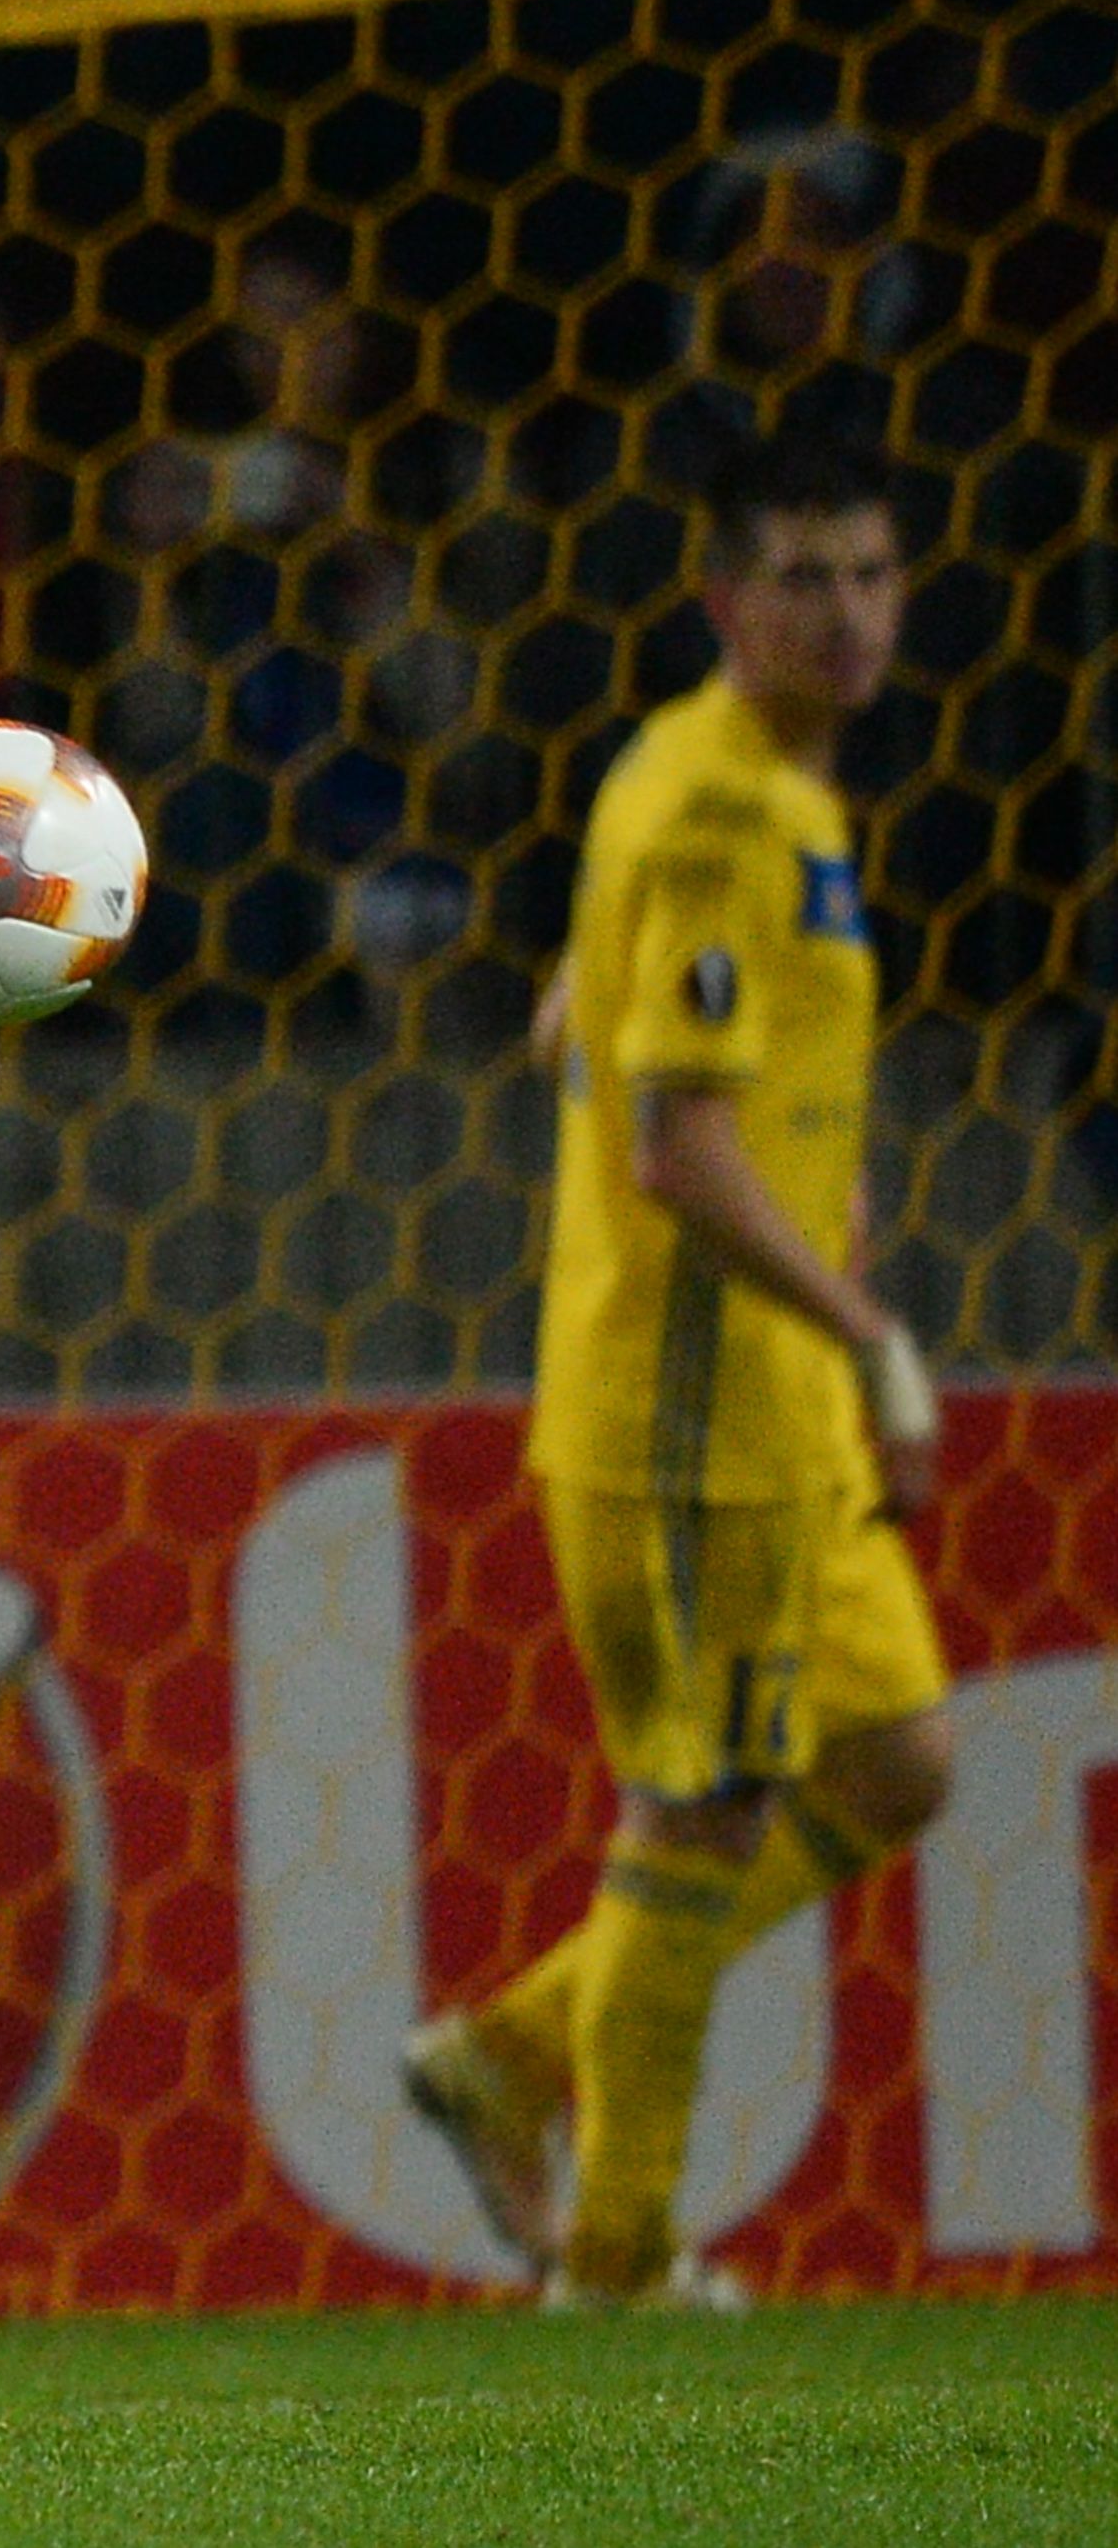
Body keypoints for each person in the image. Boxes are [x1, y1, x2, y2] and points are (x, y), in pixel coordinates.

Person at [403, 430, 954, 2308]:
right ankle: (619, 2261)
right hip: (698, 1406)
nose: (848, 610)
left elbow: (587, 1002)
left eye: (874, 571)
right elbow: (675, 1142)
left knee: (898, 1755)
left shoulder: (727, 782)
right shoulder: (721, 805)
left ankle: (514, 2048)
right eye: (806, 574)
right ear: (728, 599)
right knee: (698, 1812)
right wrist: (870, 1320)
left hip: (779, 1406)